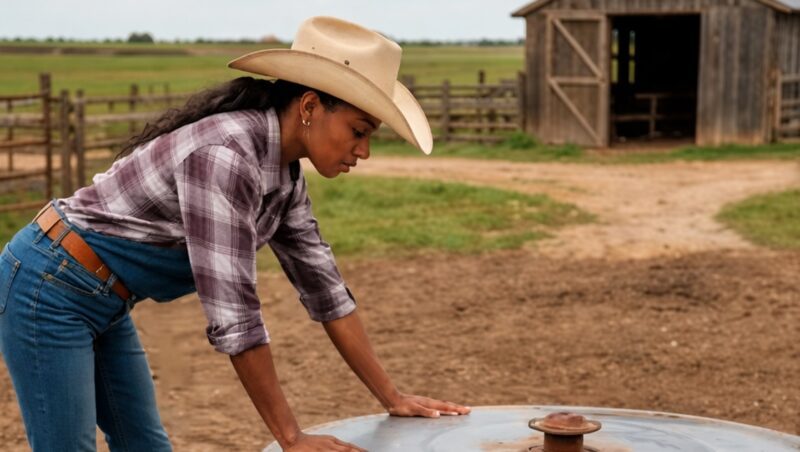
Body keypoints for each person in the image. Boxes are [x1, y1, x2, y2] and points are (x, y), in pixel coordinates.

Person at [0, 16, 470, 452]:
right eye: (358, 130)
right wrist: (291, 437)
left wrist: (393, 396)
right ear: (310, 106)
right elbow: (235, 315)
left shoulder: (284, 179)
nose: (363, 151)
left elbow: (327, 291)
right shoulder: (224, 157)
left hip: (104, 299)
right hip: (49, 287)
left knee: (144, 445)